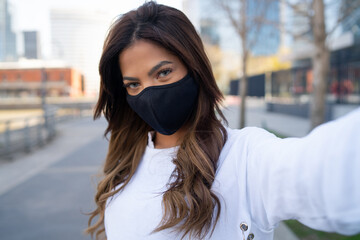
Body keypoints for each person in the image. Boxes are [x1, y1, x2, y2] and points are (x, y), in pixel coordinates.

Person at [86, 2, 360, 240]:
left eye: (163, 73)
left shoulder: (244, 159)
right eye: (133, 84)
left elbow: (327, 171)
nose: (148, 93)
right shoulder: (126, 162)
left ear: (194, 68)